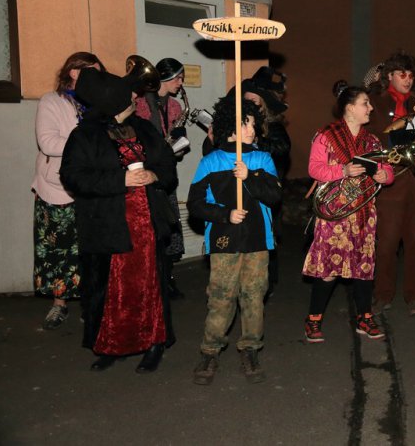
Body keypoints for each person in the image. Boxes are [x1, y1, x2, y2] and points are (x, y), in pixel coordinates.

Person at [60, 67, 177, 373]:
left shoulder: (144, 129)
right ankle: (111, 344)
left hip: (147, 224)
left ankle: (153, 343)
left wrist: (154, 175)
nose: (135, 98)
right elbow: (73, 176)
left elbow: (167, 164)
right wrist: (120, 179)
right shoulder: (84, 135)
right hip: (107, 224)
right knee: (109, 289)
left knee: (148, 286)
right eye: (128, 96)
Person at [187, 96, 281, 385]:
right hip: (224, 241)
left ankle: (250, 348)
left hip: (257, 240)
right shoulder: (211, 162)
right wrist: (225, 215)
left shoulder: (262, 159)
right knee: (221, 296)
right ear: (231, 126)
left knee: (254, 295)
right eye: (246, 124)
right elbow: (195, 204)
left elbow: (274, 195)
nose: (253, 130)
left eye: (253, 123)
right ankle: (210, 350)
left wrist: (249, 176)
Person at [302, 81, 394, 343]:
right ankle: (313, 319)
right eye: (365, 103)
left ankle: (364, 317)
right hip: (334, 214)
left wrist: (383, 175)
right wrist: (342, 171)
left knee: (363, 268)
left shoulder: (371, 140)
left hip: (364, 214)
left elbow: (387, 172)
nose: (370, 108)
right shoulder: (326, 135)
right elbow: (314, 169)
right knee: (328, 269)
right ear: (350, 108)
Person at [31, 52, 104, 329]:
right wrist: (88, 144)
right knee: (57, 250)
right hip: (57, 187)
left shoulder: (96, 104)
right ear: (74, 72)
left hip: (91, 186)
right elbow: (48, 143)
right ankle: (59, 305)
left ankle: (90, 303)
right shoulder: (51, 101)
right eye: (92, 72)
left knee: (88, 249)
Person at [366, 51, 415, 317]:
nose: (408, 79)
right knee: (386, 245)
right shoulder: (375, 101)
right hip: (390, 184)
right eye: (402, 74)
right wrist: (395, 138)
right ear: (390, 76)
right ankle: (382, 294)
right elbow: (368, 138)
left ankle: (414, 296)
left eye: (411, 75)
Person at [134, 57, 187, 299]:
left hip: (166, 174)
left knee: (168, 226)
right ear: (165, 78)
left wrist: (179, 142)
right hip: (144, 172)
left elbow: (177, 148)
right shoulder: (140, 104)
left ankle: (168, 277)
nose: (181, 82)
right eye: (178, 77)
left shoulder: (175, 106)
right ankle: (149, 280)